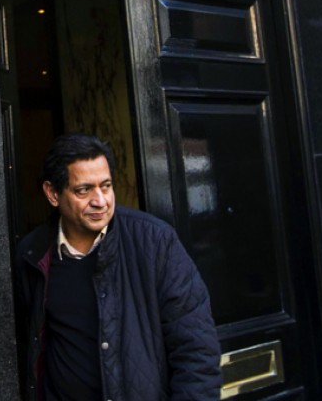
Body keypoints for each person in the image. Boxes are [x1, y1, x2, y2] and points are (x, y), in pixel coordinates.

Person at [16, 133, 221, 400]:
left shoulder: (155, 241)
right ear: (53, 194)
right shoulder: (33, 254)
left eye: (106, 186)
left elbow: (197, 351)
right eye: (83, 190)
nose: (100, 201)